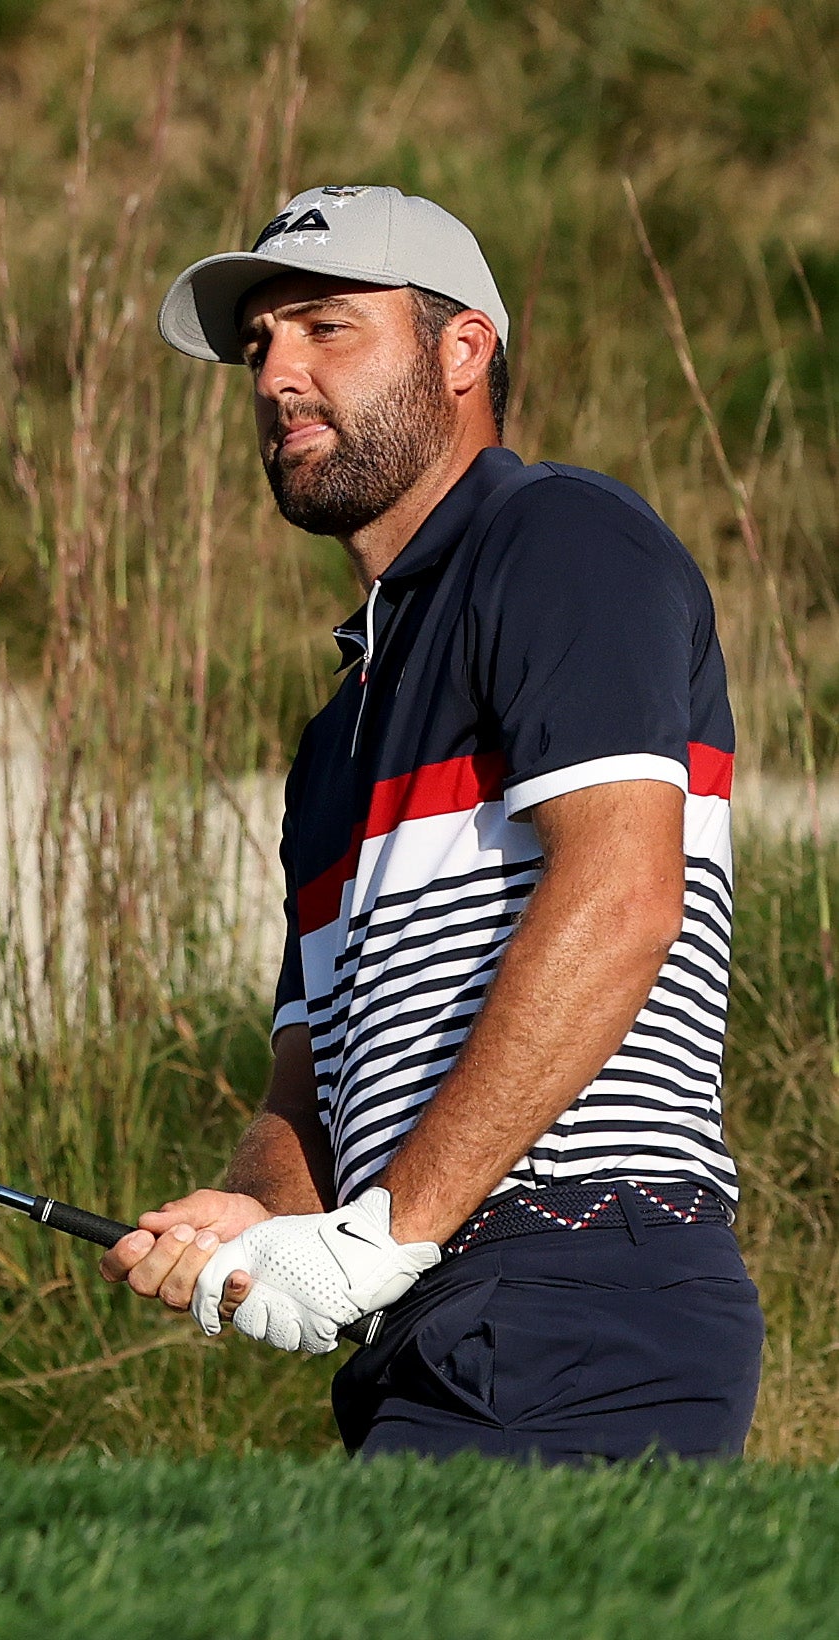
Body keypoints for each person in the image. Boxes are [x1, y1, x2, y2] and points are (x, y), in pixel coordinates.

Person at [100, 185, 761, 1461]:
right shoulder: (337, 730)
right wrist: (253, 1214)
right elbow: (316, 1081)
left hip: (587, 1290)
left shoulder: (562, 539)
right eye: (259, 347)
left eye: (328, 328)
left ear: (465, 351)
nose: (279, 374)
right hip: (440, 1326)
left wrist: (386, 1228)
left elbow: (626, 894)